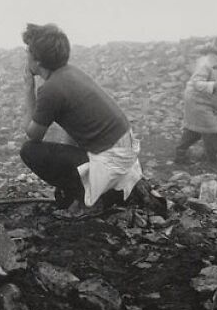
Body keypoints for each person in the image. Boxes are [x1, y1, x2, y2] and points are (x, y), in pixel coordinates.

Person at [19, 23, 165, 215]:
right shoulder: (70, 73)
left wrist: (29, 87)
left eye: (28, 51)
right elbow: (74, 126)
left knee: (30, 151)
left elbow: (32, 134)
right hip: (123, 153)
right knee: (63, 180)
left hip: (111, 160)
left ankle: (93, 200)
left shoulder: (51, 89)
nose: (26, 55)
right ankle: (101, 191)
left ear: (37, 60)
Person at [174, 33, 217, 164]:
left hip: (207, 100)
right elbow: (196, 83)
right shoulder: (206, 62)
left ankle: (180, 153)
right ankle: (213, 159)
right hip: (196, 99)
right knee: (212, 129)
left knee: (195, 129)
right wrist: (215, 85)